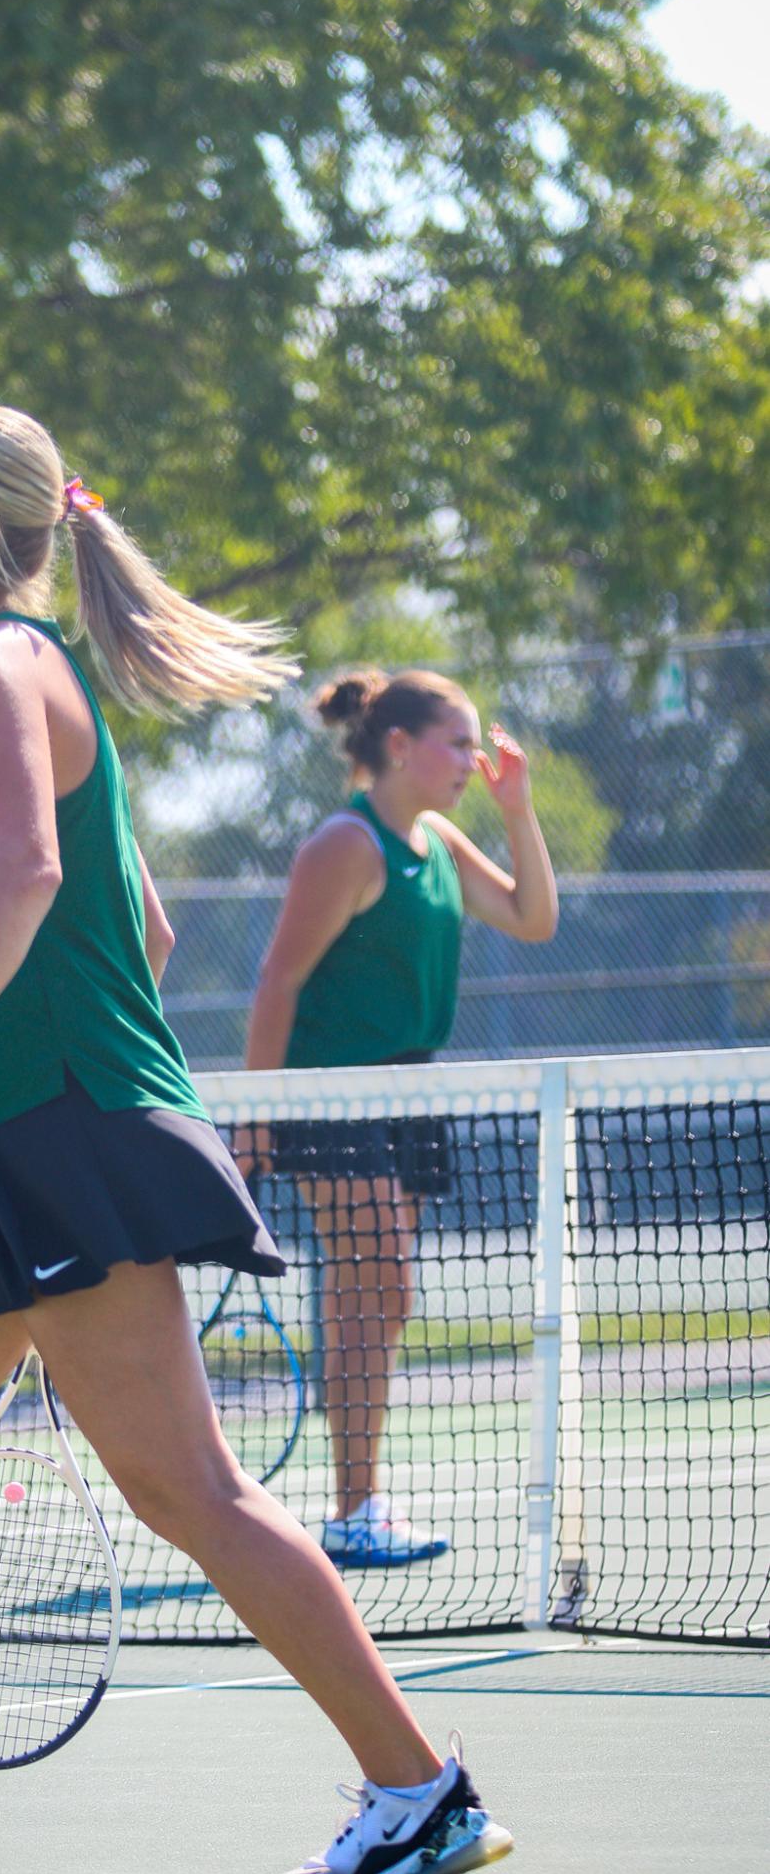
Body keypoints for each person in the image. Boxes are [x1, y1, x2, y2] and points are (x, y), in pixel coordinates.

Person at [0, 406, 513, 1874]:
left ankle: (419, 1793)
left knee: (189, 1493)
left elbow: (25, 872)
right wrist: (24, 1064)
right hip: (23, 1131)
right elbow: (132, 922)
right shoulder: (24, 668)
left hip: (56, 1125)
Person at [245, 670, 558, 1569]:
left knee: (381, 1293)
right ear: (397, 746)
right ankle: (354, 1508)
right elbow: (279, 981)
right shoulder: (345, 844)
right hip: (329, 1090)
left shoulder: (440, 842)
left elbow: (535, 918)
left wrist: (519, 807)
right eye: (457, 744)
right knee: (374, 1271)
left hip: (411, 1088)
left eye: (472, 745)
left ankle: (357, 1502)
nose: (472, 760)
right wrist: (257, 1115)